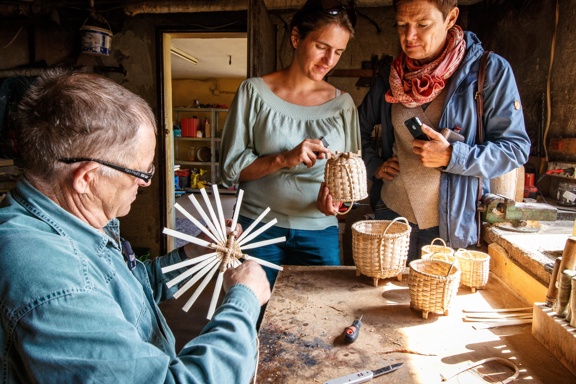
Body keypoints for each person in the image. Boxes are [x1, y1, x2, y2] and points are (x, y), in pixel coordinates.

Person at [0, 70, 270, 383]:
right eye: (140, 172)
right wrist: (243, 301)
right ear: (87, 178)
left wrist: (192, 254)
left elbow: (129, 290)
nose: (145, 183)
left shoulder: (72, 221)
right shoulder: (51, 279)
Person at [359, 0, 530, 262]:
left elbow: (516, 148)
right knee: (377, 297)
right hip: (391, 215)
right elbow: (354, 129)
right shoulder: (391, 76)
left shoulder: (489, 71)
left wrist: (453, 156)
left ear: (450, 18)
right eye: (402, 25)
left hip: (449, 226)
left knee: (436, 300)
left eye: (422, 25)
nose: (409, 36)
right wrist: (374, 165)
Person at [219, 0, 360, 285]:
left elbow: (351, 183)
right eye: (321, 46)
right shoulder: (254, 92)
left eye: (339, 52)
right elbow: (230, 170)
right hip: (257, 228)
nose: (329, 60)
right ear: (296, 38)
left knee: (320, 318)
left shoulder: (343, 106)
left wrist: (338, 205)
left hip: (319, 233)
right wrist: (283, 158)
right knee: (251, 314)